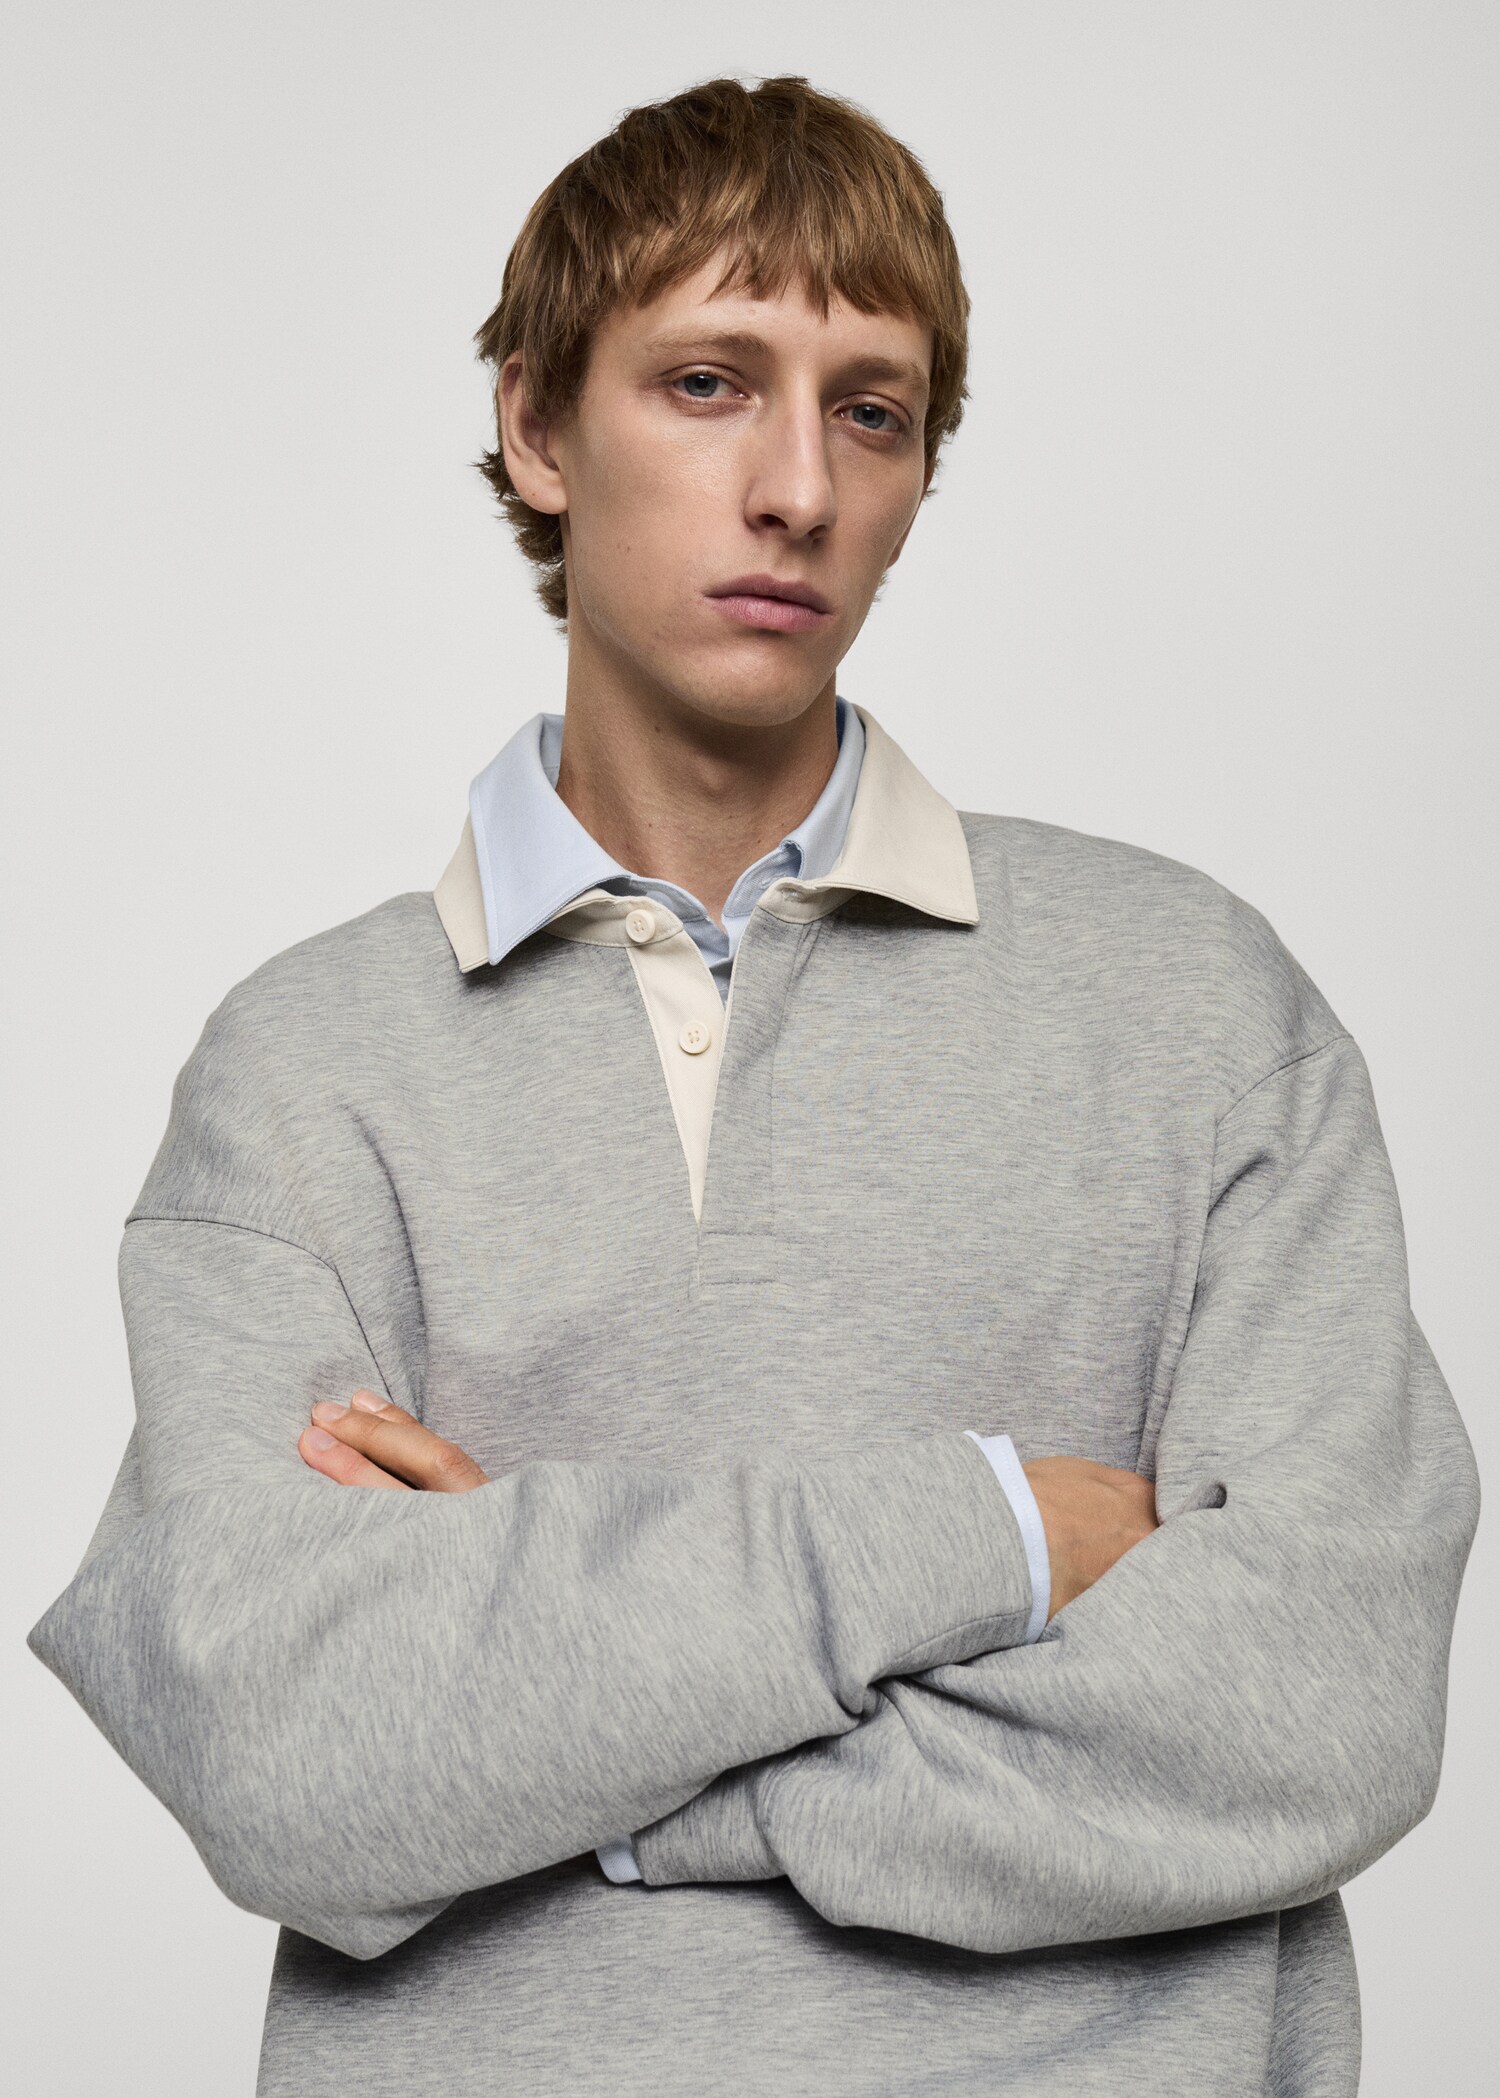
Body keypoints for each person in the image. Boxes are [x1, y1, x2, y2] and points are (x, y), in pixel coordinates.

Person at [26, 72, 1480, 2098]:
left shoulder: (1199, 1006)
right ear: (539, 429)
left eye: (871, 411)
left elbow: (1318, 1700)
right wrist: (986, 1529)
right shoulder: (306, 1073)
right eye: (710, 382)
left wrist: (578, 1710)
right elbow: (290, 1752)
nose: (798, 486)